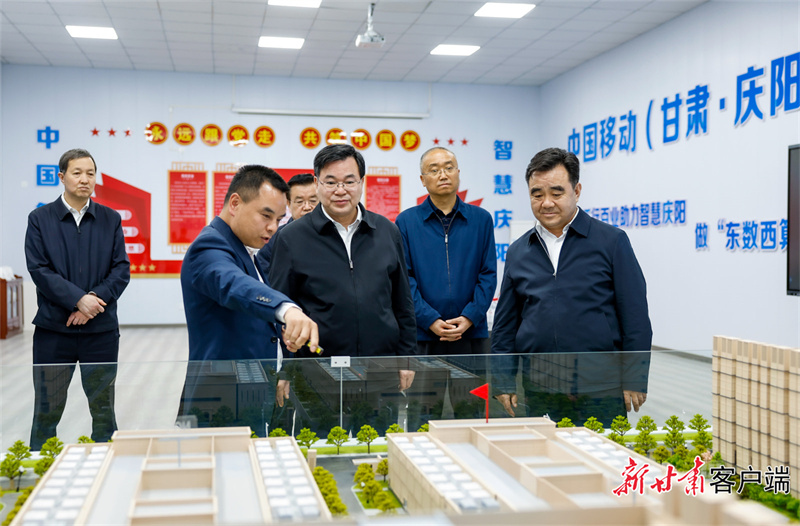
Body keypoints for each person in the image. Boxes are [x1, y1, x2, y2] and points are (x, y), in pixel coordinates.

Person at [491, 147, 651, 426]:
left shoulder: (611, 241)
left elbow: (635, 316)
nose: (546, 203)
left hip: (600, 385)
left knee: (603, 452)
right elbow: (506, 324)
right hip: (539, 384)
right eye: (537, 194)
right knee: (544, 453)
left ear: (576, 191)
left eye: (557, 193)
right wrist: (503, 380)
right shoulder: (519, 250)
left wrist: (634, 377)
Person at [269, 144, 417, 392]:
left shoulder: (387, 231)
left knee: (382, 420)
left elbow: (403, 302)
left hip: (380, 368)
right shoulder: (291, 238)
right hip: (317, 371)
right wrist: (285, 369)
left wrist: (407, 358)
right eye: (331, 182)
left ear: (361, 182)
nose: (340, 191)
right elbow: (280, 306)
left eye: (349, 182)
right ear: (317, 183)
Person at [180, 165, 318, 420]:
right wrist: (286, 310)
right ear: (235, 203)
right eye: (266, 216)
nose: (273, 227)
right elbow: (233, 284)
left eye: (279, 219)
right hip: (223, 400)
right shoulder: (209, 246)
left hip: (253, 391)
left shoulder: (247, 250)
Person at [25, 148, 130, 448]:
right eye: (77, 173)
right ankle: (42, 464)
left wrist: (91, 301)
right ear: (62, 177)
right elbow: (39, 269)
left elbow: (121, 269)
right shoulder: (40, 219)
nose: (85, 179)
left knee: (103, 409)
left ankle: (105, 462)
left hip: (100, 330)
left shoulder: (110, 219)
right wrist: (77, 300)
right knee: (47, 409)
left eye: (90, 173)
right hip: (54, 330)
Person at [396, 147, 496, 355]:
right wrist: (429, 319)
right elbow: (404, 279)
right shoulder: (406, 221)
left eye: (449, 168)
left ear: (458, 173)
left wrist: (469, 317)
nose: (443, 175)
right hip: (423, 333)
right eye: (434, 170)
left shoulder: (481, 219)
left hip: (470, 333)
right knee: (424, 380)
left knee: (472, 379)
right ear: (423, 180)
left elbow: (488, 274)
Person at [256, 172, 317, 275]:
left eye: (313, 201)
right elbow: (262, 275)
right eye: (300, 202)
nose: (307, 207)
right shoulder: (275, 239)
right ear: (288, 203)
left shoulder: (334, 233)